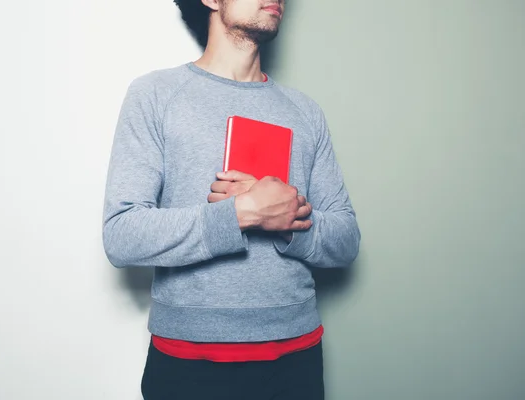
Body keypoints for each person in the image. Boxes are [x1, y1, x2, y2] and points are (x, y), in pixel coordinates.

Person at [102, 0, 361, 398]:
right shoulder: (155, 95)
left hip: (296, 357)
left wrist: (287, 221)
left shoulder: (305, 112)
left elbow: (345, 240)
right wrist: (241, 213)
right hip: (189, 363)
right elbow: (122, 234)